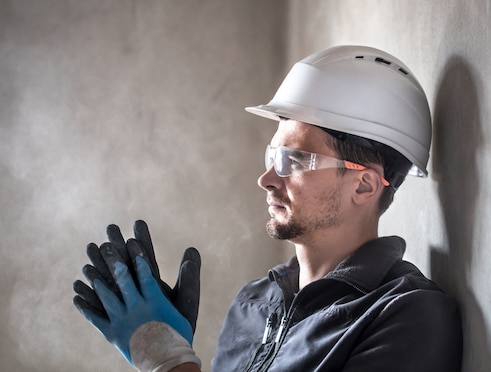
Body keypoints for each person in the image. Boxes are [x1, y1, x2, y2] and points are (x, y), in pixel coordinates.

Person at [73, 45, 463, 372]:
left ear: (362, 184)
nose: (267, 179)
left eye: (294, 161)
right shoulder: (252, 304)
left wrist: (168, 361)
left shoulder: (408, 317)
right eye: (273, 155)